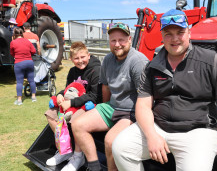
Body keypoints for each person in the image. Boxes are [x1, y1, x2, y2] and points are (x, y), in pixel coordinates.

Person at [112, 9, 217, 171]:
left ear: (189, 33)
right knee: (121, 148)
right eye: (168, 33)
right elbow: (143, 106)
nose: (174, 39)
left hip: (198, 132)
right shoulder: (152, 66)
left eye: (180, 32)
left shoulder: (212, 62)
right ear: (162, 36)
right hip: (159, 127)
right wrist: (152, 135)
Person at [70, 23, 149, 171]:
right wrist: (103, 109)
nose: (117, 44)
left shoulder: (138, 62)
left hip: (130, 111)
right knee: (77, 124)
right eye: (113, 40)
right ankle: (94, 167)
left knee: (110, 141)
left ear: (130, 39)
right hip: (113, 107)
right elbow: (105, 87)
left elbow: (145, 97)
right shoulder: (107, 60)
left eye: (121, 40)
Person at [45, 41, 101, 169]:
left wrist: (71, 102)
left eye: (83, 57)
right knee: (51, 114)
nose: (80, 61)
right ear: (71, 59)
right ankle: (65, 150)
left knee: (77, 121)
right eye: (76, 58)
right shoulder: (72, 71)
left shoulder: (96, 70)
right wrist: (60, 94)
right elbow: (68, 89)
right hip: (72, 104)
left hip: (87, 105)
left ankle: (78, 156)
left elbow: (94, 95)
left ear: (89, 55)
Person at [10, 27, 36, 105]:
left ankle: (19, 100)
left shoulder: (13, 42)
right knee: (31, 80)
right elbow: (33, 51)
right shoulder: (27, 41)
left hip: (19, 63)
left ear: (15, 34)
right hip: (29, 62)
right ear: (22, 33)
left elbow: (12, 53)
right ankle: (34, 97)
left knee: (19, 82)